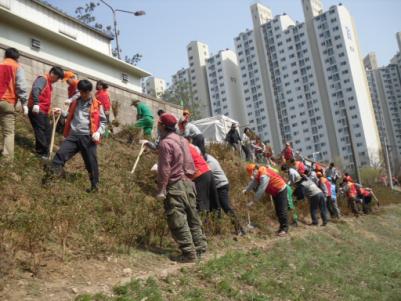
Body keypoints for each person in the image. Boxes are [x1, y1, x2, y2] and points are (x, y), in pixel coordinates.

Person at [156, 113, 207, 262]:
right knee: (193, 217)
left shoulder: (166, 143)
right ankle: (200, 249)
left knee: (177, 219)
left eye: (159, 124)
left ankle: (189, 254)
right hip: (189, 183)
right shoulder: (183, 140)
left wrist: (161, 189)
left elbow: (164, 168)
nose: (157, 126)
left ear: (163, 126)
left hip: (175, 184)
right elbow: (189, 162)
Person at [46, 80, 107, 192]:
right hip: (73, 136)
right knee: (60, 154)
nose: (83, 95)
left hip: (88, 138)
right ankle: (49, 180)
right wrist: (61, 112)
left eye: (86, 92)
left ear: (89, 91)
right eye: (81, 92)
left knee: (91, 163)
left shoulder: (97, 104)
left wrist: (98, 132)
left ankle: (94, 187)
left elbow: (103, 121)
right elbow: (70, 115)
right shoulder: (75, 102)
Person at [243, 163, 289, 236]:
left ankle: (285, 230)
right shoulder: (258, 174)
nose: (252, 176)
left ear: (255, 170)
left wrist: (253, 201)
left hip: (281, 189)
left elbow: (261, 189)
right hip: (275, 192)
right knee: (278, 211)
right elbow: (253, 182)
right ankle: (281, 228)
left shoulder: (263, 175)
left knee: (282, 210)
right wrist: (246, 190)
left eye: (252, 173)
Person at [28, 66, 64, 157]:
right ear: (52, 73)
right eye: (57, 78)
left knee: (48, 131)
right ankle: (43, 152)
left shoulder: (49, 84)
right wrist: (36, 103)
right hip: (36, 110)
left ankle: (43, 150)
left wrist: (51, 110)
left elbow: (45, 100)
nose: (57, 80)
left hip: (43, 112)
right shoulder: (42, 79)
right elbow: (36, 89)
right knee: (40, 131)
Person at [206, 153, 245, 235]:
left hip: (221, 185)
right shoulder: (207, 158)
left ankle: (240, 229)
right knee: (215, 209)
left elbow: (206, 175)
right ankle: (217, 231)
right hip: (215, 187)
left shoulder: (210, 161)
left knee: (226, 207)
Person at [0, 47, 28, 160]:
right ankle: (7, 160)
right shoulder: (17, 67)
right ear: (17, 58)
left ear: (5, 55)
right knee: (9, 132)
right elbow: (21, 86)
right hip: (7, 101)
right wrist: (24, 103)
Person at [188, 143, 219, 212]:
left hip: (199, 174)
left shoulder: (176, 145)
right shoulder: (191, 145)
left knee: (202, 204)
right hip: (207, 170)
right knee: (213, 202)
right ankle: (216, 220)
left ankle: (205, 221)